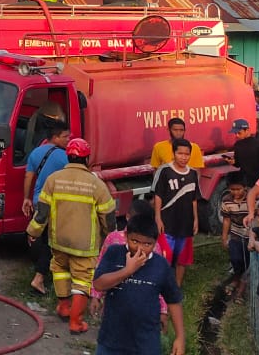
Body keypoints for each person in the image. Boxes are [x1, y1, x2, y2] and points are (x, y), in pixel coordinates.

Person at [26, 138, 116, 333]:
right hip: (84, 245)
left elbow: (42, 212)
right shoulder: (96, 185)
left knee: (60, 271)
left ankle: (64, 307)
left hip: (58, 241)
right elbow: (108, 218)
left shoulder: (53, 179)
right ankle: (75, 321)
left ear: (68, 155)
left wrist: (33, 232)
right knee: (82, 280)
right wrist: (111, 238)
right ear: (87, 158)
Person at [93, 211, 186, 355]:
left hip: (146, 344)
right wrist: (128, 270)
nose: (140, 248)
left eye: (147, 244)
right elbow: (99, 284)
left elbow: (173, 301)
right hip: (110, 341)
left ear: (155, 243)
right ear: (125, 237)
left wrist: (180, 337)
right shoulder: (114, 253)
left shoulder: (160, 265)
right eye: (135, 241)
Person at [22, 122, 71, 294]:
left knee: (40, 239)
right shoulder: (65, 157)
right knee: (49, 243)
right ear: (55, 137)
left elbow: (29, 176)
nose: (68, 140)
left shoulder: (36, 152)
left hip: (38, 203)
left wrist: (26, 198)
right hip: (54, 206)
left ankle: (38, 273)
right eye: (66, 137)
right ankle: (40, 277)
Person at [152, 138, 199, 285]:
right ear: (174, 153)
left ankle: (177, 286)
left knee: (182, 258)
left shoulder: (192, 174)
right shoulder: (165, 171)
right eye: (180, 153)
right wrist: (158, 218)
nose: (183, 157)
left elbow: (194, 199)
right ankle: (163, 286)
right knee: (165, 256)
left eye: (187, 154)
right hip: (168, 222)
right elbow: (158, 196)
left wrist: (196, 219)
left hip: (185, 223)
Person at [220, 172, 251, 300]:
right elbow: (227, 220)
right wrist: (224, 237)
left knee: (247, 260)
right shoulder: (226, 201)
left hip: (249, 235)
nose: (236, 192)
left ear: (245, 187)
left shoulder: (251, 198)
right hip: (235, 234)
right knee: (235, 259)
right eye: (232, 189)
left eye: (238, 189)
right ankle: (236, 278)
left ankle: (241, 282)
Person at [225, 118, 259, 187]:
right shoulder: (238, 145)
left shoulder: (258, 144)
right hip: (246, 181)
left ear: (247, 130)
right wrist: (232, 162)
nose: (237, 135)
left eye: (239, 133)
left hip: (258, 181)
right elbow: (238, 164)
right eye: (235, 133)